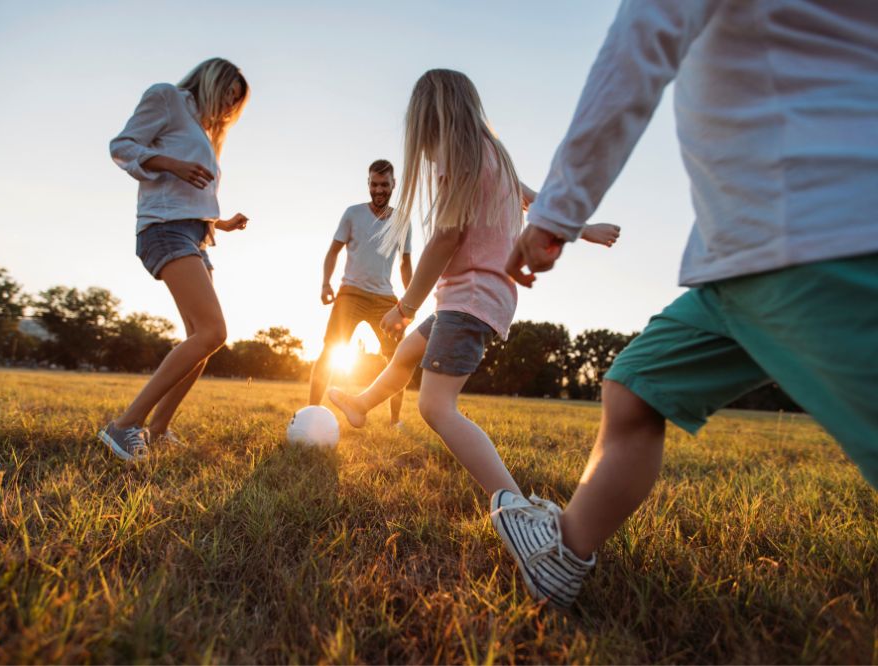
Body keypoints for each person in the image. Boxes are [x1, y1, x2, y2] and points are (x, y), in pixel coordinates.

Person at [499, 0, 878, 608]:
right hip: (738, 258)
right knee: (637, 385)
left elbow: (639, 43)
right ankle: (563, 557)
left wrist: (555, 214)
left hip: (816, 239)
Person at [329, 69, 619, 508]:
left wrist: (406, 304)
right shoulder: (493, 154)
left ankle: (518, 507)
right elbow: (535, 200)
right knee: (408, 352)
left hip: (471, 298)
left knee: (435, 407)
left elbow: (445, 238)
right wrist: (585, 228)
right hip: (472, 298)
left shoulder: (456, 155)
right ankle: (361, 404)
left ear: (432, 120)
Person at [100, 57, 251, 461]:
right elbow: (122, 146)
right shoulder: (167, 97)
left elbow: (191, 195)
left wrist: (221, 222)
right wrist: (173, 164)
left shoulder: (203, 129)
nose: (227, 107)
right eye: (227, 95)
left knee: (202, 342)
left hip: (195, 234)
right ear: (211, 81)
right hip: (163, 228)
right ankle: (123, 425)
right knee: (212, 331)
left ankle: (159, 428)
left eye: (234, 103)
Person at [309, 160, 413, 426]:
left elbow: (405, 264)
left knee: (398, 359)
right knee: (330, 351)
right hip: (351, 293)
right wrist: (325, 283)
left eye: (384, 185)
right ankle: (311, 414)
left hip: (385, 299)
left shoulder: (402, 221)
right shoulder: (352, 214)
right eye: (374, 184)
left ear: (393, 185)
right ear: (368, 184)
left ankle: (394, 421)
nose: (379, 190)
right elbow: (333, 251)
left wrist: (410, 301)